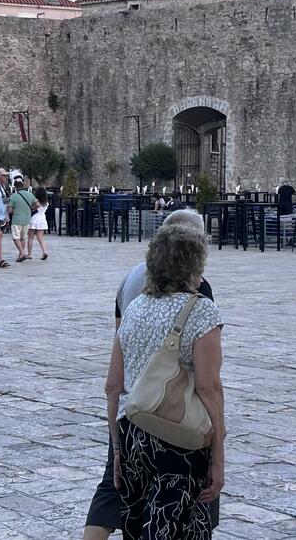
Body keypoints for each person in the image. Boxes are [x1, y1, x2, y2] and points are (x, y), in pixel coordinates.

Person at [84, 210, 219, 540]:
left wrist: (116, 448)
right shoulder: (201, 308)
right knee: (182, 524)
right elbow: (208, 386)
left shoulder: (135, 306)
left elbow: (112, 384)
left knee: (136, 522)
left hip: (134, 428)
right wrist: (219, 453)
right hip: (180, 435)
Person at [8, 175, 37, 262]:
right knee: (23, 238)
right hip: (27, 219)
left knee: (15, 237)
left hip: (17, 219)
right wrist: (31, 209)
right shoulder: (30, 195)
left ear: (15, 186)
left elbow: (10, 210)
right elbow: (38, 205)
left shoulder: (13, 196)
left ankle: (22, 252)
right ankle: (20, 255)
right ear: (23, 185)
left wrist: (14, 211)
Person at [27, 187, 50, 261]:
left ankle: (29, 254)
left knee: (30, 238)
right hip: (42, 219)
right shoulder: (46, 203)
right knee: (40, 238)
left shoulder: (35, 201)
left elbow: (31, 208)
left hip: (33, 219)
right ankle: (44, 251)